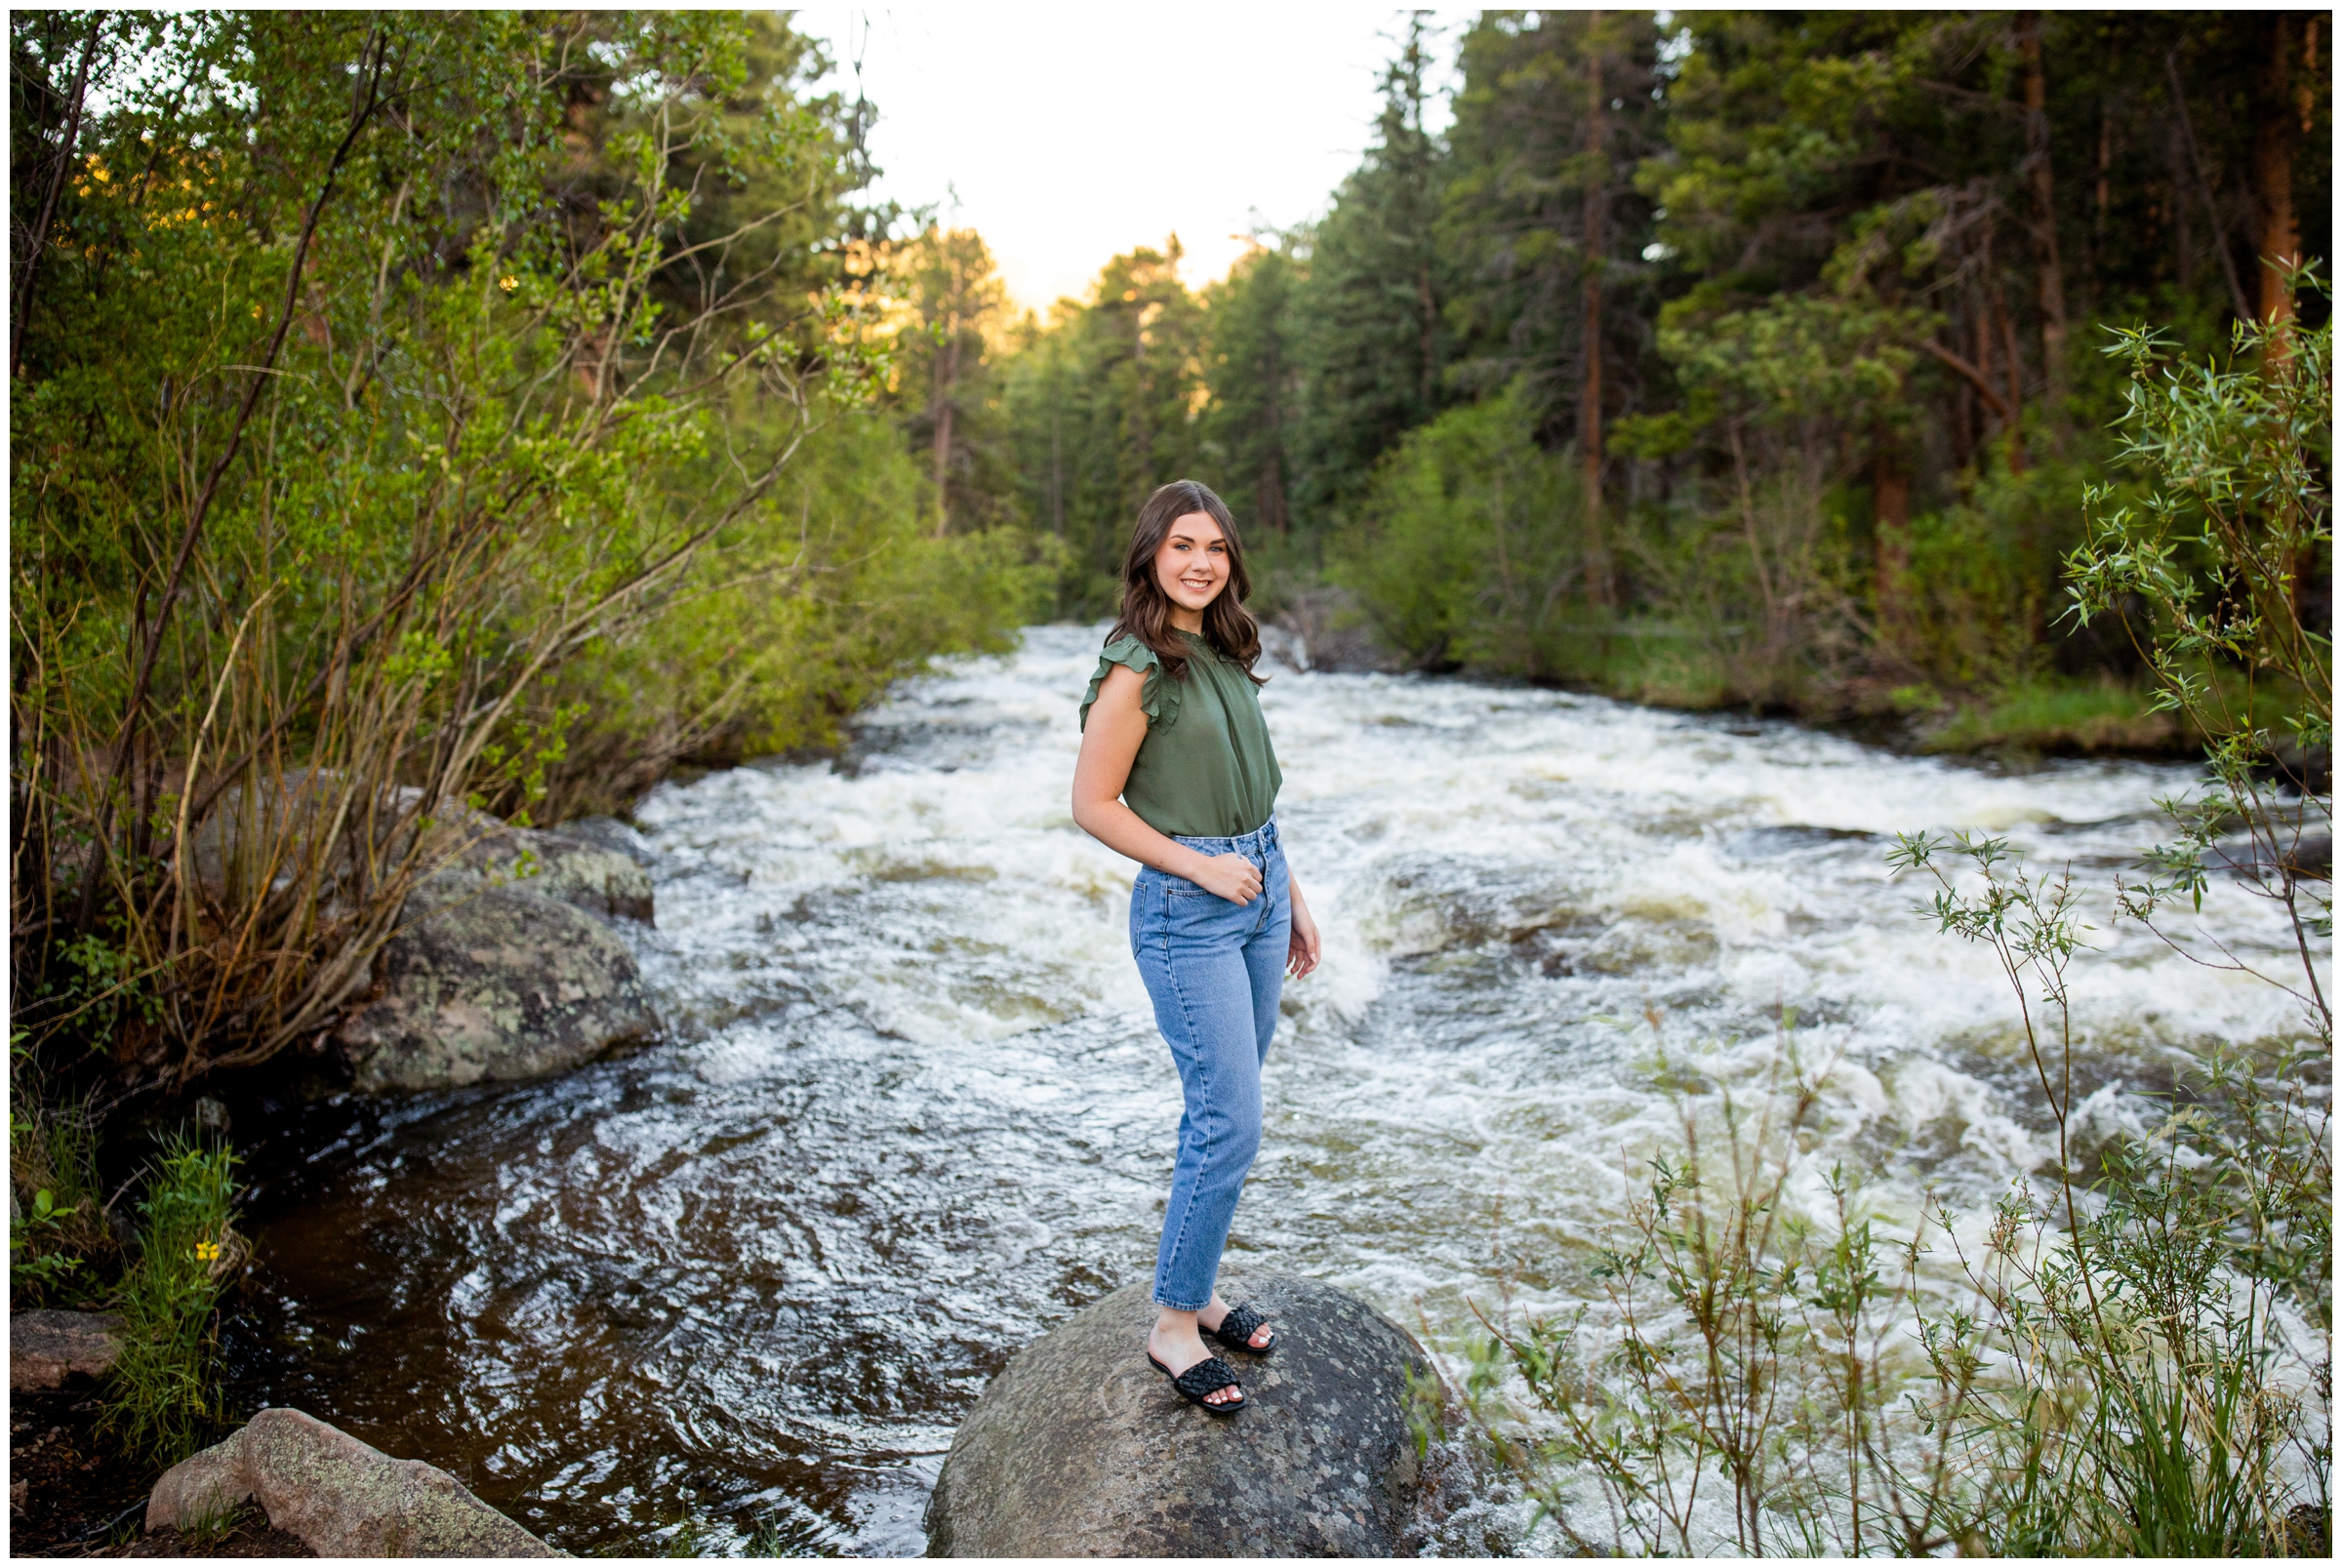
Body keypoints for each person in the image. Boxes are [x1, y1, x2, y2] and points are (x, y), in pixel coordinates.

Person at [1071, 479, 1323, 1415]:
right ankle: (1173, 1326)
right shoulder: (1137, 663)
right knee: (1231, 1119)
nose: (1201, 562)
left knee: (1230, 1109)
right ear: (1151, 554)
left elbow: (1253, 790)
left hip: (1257, 884)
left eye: (1215, 547)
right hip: (1191, 904)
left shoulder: (1220, 645)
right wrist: (1206, 869)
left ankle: (1200, 1289)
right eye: (1183, 544)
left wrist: (1286, 890)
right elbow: (1092, 804)